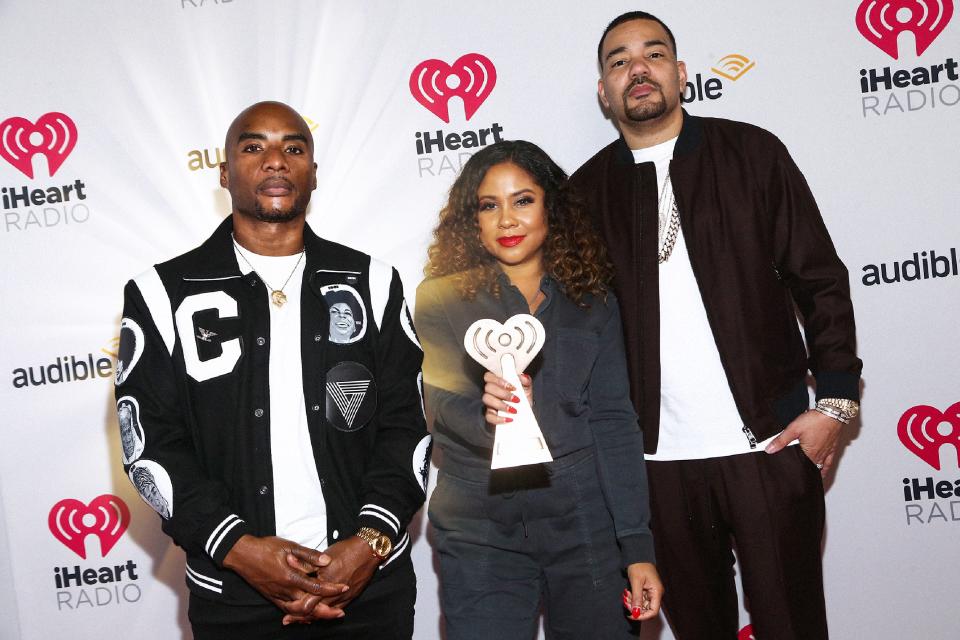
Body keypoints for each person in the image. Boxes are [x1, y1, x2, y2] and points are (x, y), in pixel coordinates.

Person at [568, 11, 863, 639]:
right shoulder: (584, 194)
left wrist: (835, 402)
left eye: (652, 54)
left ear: (680, 74)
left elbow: (820, 280)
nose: (637, 69)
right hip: (655, 468)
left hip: (768, 447)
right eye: (619, 61)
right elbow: (571, 333)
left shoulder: (751, 153)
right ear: (604, 90)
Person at [114, 101, 430, 639]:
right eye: (254, 146)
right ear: (224, 172)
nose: (276, 160)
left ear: (313, 172)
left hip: (368, 589)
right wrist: (238, 549)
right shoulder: (160, 293)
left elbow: (408, 427)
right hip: (234, 597)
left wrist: (367, 543)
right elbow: (149, 445)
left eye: (294, 147)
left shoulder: (373, 282)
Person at [416, 140, 663, 640]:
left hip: (584, 522)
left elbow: (613, 423)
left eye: (522, 200)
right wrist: (487, 415)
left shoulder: (592, 300)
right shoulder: (438, 299)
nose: (507, 219)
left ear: (551, 206)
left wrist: (637, 547)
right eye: (490, 205)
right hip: (479, 527)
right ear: (473, 219)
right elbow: (438, 410)